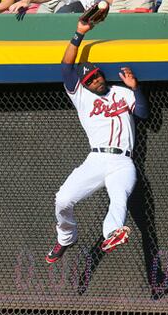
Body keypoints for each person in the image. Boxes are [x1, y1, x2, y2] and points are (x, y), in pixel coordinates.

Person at [45, 14, 149, 264]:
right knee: (62, 200)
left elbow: (143, 113)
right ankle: (66, 237)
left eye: (97, 75)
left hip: (123, 161)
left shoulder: (122, 92)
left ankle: (113, 233)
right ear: (85, 84)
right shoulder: (81, 96)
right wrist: (79, 33)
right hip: (96, 158)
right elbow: (66, 67)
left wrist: (135, 87)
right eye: (90, 79)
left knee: (119, 198)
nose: (96, 80)